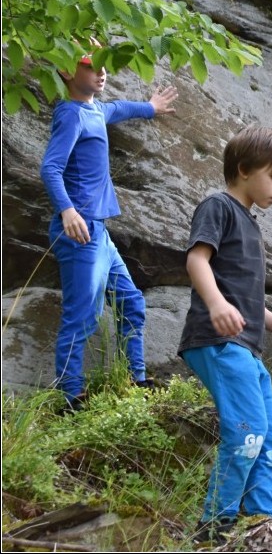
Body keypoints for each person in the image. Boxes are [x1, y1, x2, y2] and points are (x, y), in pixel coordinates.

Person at [177, 125, 272, 543]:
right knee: (248, 430)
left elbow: (249, 301)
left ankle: (261, 527)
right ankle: (212, 528)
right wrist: (216, 305)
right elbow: (197, 261)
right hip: (218, 343)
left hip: (247, 350)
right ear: (243, 169)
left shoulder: (251, 226)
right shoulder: (217, 207)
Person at [40, 43, 178, 409]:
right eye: (91, 66)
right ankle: (70, 396)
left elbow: (119, 109)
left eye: (104, 66)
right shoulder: (70, 114)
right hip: (80, 231)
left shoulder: (96, 110)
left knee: (131, 302)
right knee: (82, 314)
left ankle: (135, 378)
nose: (102, 72)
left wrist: (150, 107)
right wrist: (67, 211)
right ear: (67, 72)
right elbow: (50, 167)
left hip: (99, 232)